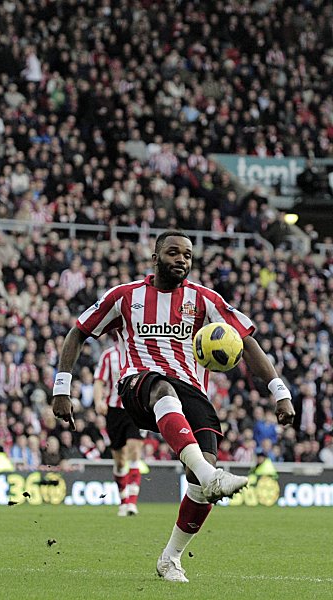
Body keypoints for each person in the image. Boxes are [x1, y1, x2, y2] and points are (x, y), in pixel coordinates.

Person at [52, 230, 295, 583]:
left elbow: (246, 341)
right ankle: (213, 478)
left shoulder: (204, 300)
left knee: (200, 477)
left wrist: (280, 391)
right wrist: (62, 387)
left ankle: (171, 557)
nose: (181, 259)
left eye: (187, 255)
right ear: (155, 257)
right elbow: (78, 332)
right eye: (173, 252)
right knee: (162, 389)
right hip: (139, 382)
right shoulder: (124, 297)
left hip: (192, 391)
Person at [93, 333, 145, 516]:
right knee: (120, 459)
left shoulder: (142, 353)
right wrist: (98, 401)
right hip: (114, 411)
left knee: (134, 451)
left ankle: (132, 502)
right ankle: (123, 501)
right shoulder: (109, 355)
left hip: (136, 410)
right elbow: (99, 380)